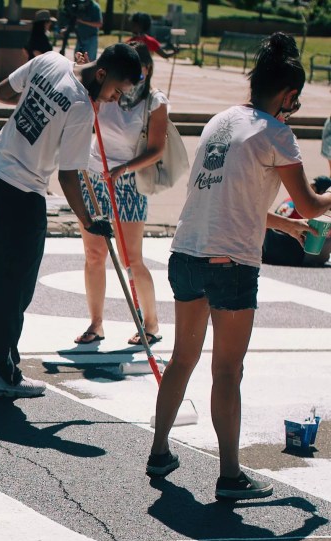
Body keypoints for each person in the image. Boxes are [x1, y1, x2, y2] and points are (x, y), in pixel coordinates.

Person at [150, 34, 331, 500]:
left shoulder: (221, 122)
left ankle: (159, 450)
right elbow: (310, 205)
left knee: (182, 358)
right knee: (227, 370)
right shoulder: (275, 131)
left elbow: (220, 199)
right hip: (230, 264)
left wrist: (278, 225)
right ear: (289, 96)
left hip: (186, 254)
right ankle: (230, 475)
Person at [0, 44, 141, 398]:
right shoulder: (80, 106)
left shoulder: (49, 60)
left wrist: (39, 107)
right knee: (16, 286)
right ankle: (1, 371)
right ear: (102, 74)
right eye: (115, 91)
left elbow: (1, 93)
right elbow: (69, 175)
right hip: (24, 191)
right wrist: (89, 220)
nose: (111, 100)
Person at [74, 44, 167, 346]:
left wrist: (124, 168)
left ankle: (151, 323)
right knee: (94, 255)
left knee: (131, 258)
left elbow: (156, 150)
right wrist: (87, 73)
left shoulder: (153, 101)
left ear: (147, 71)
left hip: (127, 181)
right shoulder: (105, 89)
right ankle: (95, 323)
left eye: (138, 72)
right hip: (92, 174)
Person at [262, 174, 331, 266]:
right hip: (289, 254)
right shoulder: (312, 208)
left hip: (268, 247)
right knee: (324, 236)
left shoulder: (291, 199)